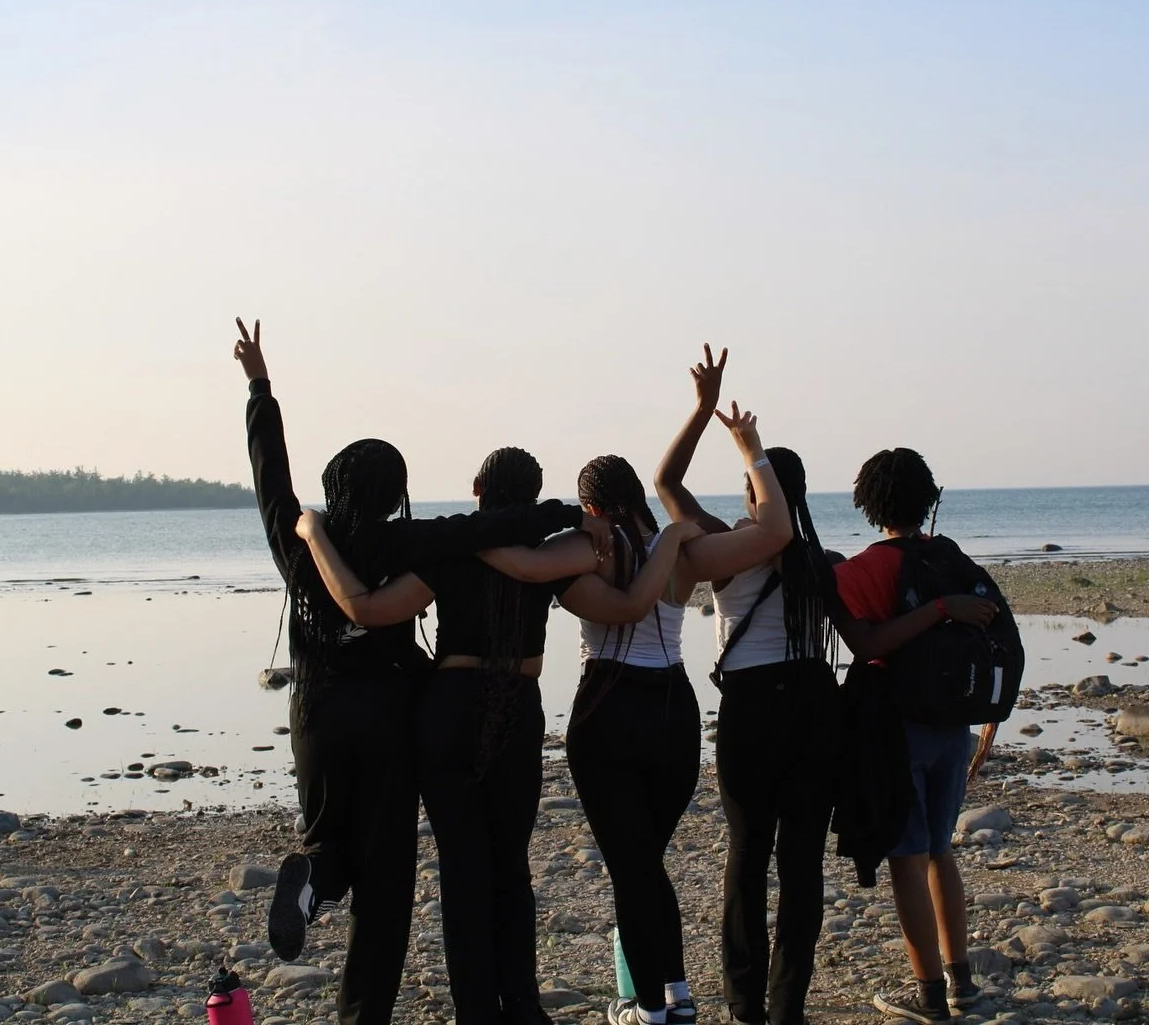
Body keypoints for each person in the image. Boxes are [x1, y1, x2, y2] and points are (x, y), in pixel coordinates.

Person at [232, 319, 608, 1025]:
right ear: (394, 492)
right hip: (393, 716)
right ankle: (368, 1014)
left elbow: (268, 478)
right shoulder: (409, 539)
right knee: (388, 885)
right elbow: (481, 531)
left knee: (329, 838)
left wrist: (260, 392)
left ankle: (313, 872)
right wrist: (563, 515)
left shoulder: (297, 541)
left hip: (317, 716)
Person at [296, 446, 702, 1025]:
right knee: (511, 868)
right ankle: (524, 1006)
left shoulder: (449, 555)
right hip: (518, 707)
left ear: (480, 488)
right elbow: (625, 607)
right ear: (532, 498)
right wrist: (662, 542)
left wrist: (314, 535)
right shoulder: (545, 564)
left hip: (449, 710)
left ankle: (478, 1012)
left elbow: (368, 611)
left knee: (463, 872)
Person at [484, 403, 792, 1025]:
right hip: (676, 714)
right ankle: (675, 993)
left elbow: (528, 567)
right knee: (647, 859)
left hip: (609, 707)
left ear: (589, 506)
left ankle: (648, 1008)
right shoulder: (680, 552)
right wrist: (750, 449)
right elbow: (777, 530)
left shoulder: (586, 547)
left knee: (632, 865)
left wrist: (462, 542)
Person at [653, 345, 843, 1025]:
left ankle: (743, 1006)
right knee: (800, 864)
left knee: (746, 857)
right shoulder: (823, 562)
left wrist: (705, 412)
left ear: (753, 494)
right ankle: (785, 1005)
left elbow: (664, 483)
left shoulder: (730, 549)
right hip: (816, 703)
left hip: (752, 706)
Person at [833, 448, 997, 1025]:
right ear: (929, 498)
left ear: (867, 503)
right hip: (953, 725)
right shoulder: (951, 558)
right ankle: (962, 981)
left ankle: (928, 994)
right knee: (940, 850)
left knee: (906, 856)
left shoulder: (858, 571)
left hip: (893, 727)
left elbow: (867, 647)